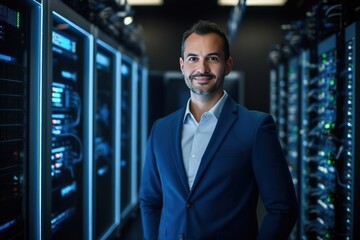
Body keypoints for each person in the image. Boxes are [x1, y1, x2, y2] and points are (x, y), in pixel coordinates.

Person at [139, 19, 298, 240]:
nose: (201, 68)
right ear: (182, 66)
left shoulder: (255, 127)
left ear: (228, 65)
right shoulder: (161, 129)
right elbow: (150, 200)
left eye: (212, 58)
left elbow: (283, 208)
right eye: (193, 59)